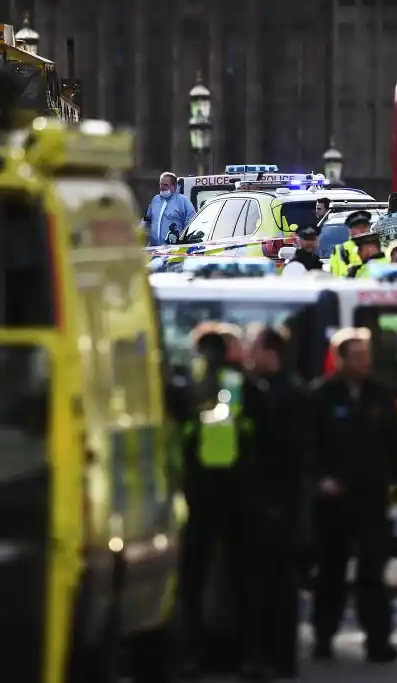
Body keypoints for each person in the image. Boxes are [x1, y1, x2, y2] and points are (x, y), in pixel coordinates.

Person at [310, 327, 397, 663]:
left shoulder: (379, 396)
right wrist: (320, 480)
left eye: (366, 355)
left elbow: (395, 445)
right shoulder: (322, 396)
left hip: (371, 498)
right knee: (331, 572)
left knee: (373, 573)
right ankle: (324, 637)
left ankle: (378, 640)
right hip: (335, 501)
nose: (364, 362)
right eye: (356, 356)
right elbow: (308, 448)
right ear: (340, 360)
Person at [178, 322, 249, 678]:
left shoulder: (187, 383)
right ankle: (227, 652)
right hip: (230, 493)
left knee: (193, 580)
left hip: (196, 491)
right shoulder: (236, 384)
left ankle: (194, 652)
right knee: (231, 578)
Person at [239, 326, 310, 680]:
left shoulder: (285, 394)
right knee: (270, 587)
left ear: (272, 353)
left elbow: (283, 453)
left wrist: (276, 505)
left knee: (275, 588)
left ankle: (276, 658)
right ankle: (273, 657)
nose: (250, 355)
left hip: (278, 507)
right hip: (274, 505)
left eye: (254, 348)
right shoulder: (276, 389)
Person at [143, 171, 196, 247]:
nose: (162, 187)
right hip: (154, 249)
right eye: (161, 184)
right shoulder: (155, 200)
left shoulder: (182, 201)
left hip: (174, 250)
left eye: (166, 185)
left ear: (174, 186)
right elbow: (147, 218)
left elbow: (190, 224)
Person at [329, 210, 372, 277]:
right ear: (350, 231)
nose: (362, 230)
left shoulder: (378, 249)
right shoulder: (339, 251)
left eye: (365, 226)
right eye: (358, 227)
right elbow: (333, 277)